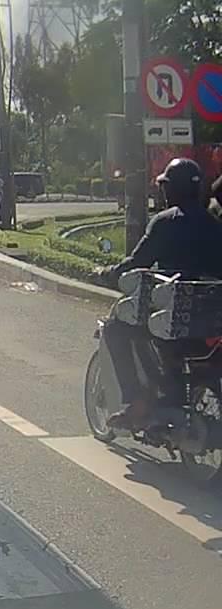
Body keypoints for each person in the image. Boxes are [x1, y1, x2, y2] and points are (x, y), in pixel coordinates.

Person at [95, 157, 222, 429]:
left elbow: (137, 262)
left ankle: (137, 402)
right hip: (211, 322)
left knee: (117, 329)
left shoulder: (165, 222)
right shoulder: (215, 225)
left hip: (173, 318)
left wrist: (108, 273)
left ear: (170, 190)